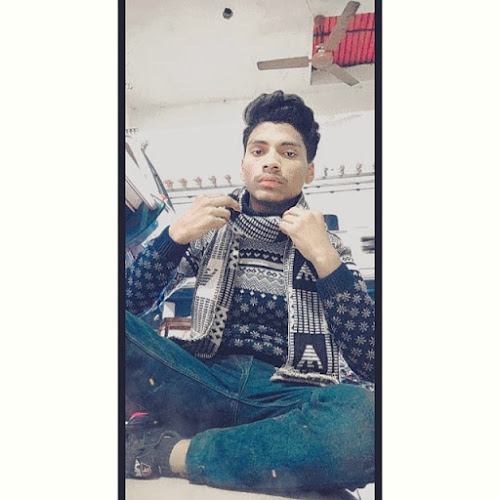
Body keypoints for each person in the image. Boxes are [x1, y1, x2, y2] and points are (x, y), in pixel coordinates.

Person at [124, 90, 375, 493]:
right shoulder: (209, 229)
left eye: (288, 153)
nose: (271, 161)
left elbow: (372, 361)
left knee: (369, 417)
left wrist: (326, 260)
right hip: (199, 381)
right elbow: (129, 303)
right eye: (259, 151)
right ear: (243, 166)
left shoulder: (329, 247)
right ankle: (264, 455)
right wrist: (174, 237)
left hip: (286, 401)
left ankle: (168, 452)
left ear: (309, 171)